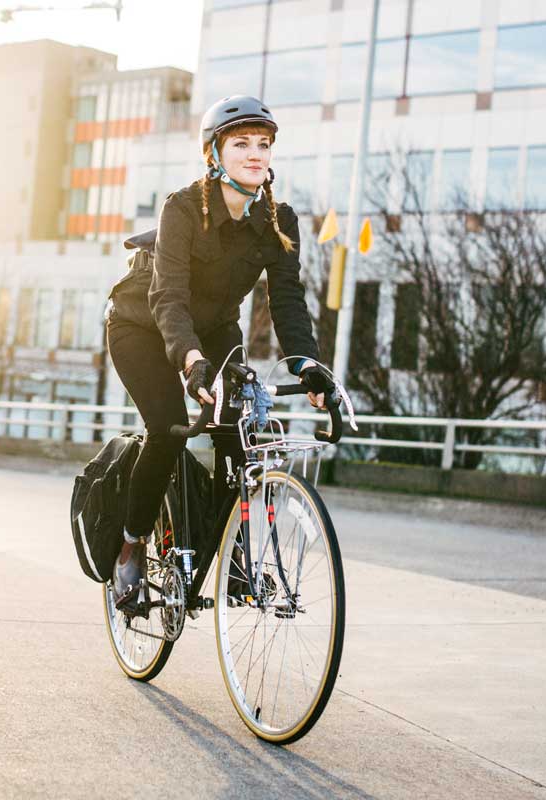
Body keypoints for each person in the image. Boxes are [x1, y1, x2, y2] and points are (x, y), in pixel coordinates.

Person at [105, 95, 335, 599]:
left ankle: (235, 562)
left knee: (239, 434)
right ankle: (130, 546)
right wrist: (190, 361)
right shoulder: (183, 208)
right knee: (167, 432)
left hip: (214, 330)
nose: (256, 153)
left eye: (264, 144)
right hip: (141, 325)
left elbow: (289, 300)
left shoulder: (278, 221)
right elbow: (168, 297)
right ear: (215, 153)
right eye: (241, 143)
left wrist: (309, 364)